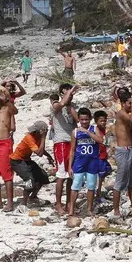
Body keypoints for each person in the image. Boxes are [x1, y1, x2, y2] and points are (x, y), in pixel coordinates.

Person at [67, 108, 102, 217]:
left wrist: (87, 132)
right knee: (75, 186)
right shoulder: (75, 132)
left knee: (91, 187)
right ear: (79, 119)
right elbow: (72, 150)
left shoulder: (94, 128)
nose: (84, 122)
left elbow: (100, 140)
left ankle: (89, 209)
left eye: (86, 119)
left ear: (90, 119)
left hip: (92, 163)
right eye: (82, 119)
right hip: (79, 163)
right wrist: (69, 166)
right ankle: (71, 209)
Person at [9, 121, 54, 206]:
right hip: (17, 160)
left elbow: (41, 150)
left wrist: (49, 156)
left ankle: (33, 197)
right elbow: (39, 153)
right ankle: (24, 203)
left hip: (26, 160)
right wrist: (44, 138)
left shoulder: (38, 137)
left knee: (42, 177)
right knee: (30, 181)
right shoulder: (29, 138)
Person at [49, 83, 78, 215]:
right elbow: (59, 105)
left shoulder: (71, 107)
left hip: (71, 142)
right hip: (60, 142)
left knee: (70, 175)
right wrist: (67, 96)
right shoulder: (56, 105)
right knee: (61, 175)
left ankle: (69, 204)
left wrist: (70, 105)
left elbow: (77, 121)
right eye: (67, 92)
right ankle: (58, 203)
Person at [113, 88, 132, 218]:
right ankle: (116, 211)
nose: (131, 106)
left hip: (130, 149)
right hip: (122, 151)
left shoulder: (128, 116)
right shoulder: (121, 114)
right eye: (129, 103)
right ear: (123, 103)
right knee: (120, 182)